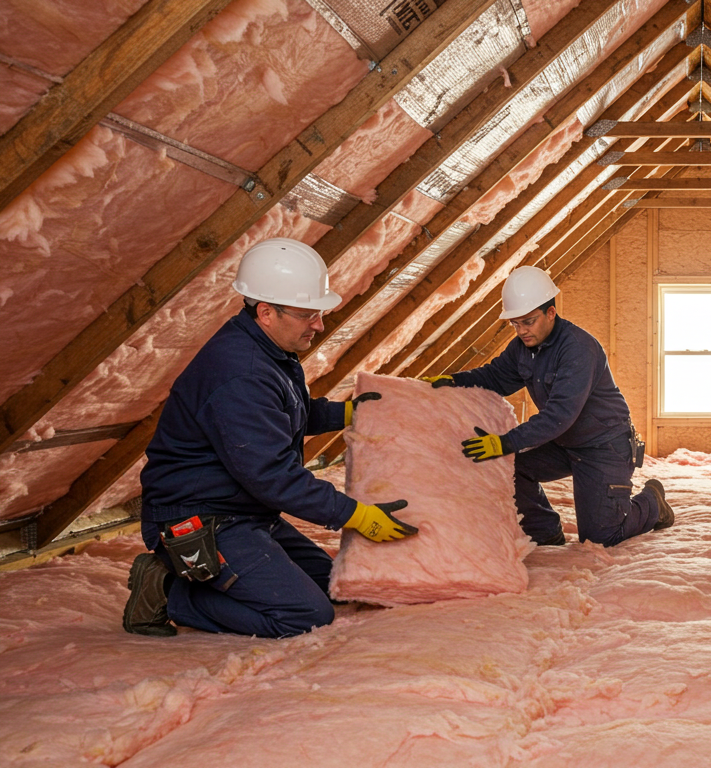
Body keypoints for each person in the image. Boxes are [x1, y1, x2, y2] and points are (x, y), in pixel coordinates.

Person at [123, 238, 418, 639]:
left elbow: (288, 414)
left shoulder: (268, 352)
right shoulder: (240, 372)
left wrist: (351, 413)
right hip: (201, 518)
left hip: (244, 510)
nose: (319, 325)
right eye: (308, 314)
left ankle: (207, 580)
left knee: (335, 585)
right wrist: (356, 515)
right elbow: (272, 475)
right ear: (266, 312)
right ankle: (168, 592)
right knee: (305, 615)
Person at [426, 265, 672, 547]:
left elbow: (560, 414)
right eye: (515, 323)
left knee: (601, 537)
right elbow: (494, 377)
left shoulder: (578, 348)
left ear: (551, 312)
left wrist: (505, 442)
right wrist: (453, 382)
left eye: (528, 322)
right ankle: (545, 532)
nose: (521, 330)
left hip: (604, 445)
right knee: (510, 468)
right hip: (564, 442)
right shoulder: (522, 347)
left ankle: (653, 502)